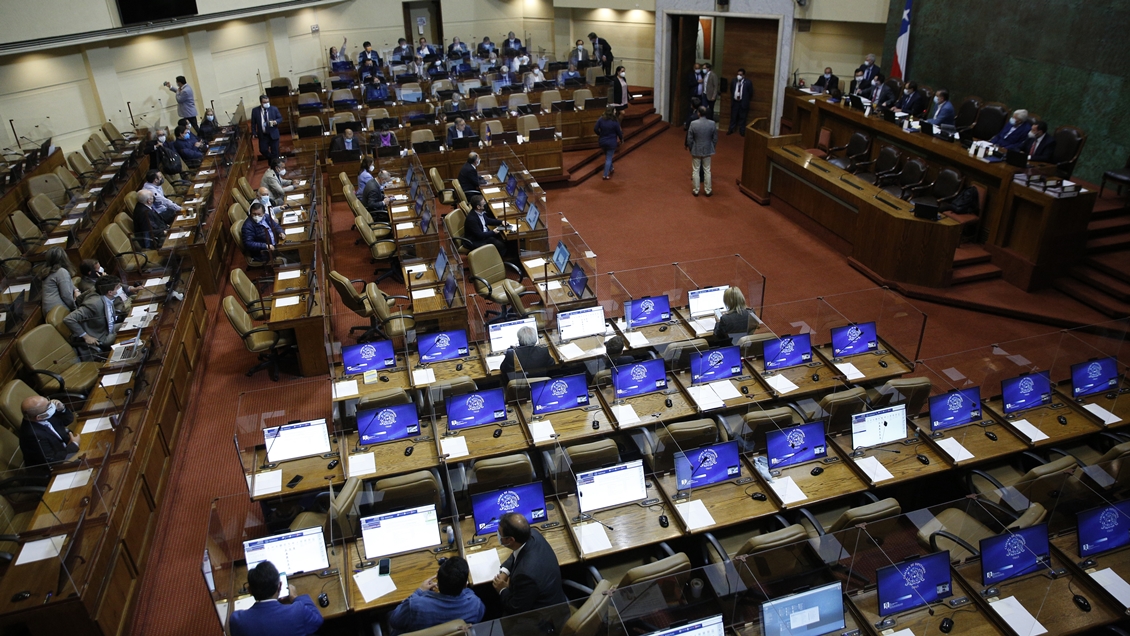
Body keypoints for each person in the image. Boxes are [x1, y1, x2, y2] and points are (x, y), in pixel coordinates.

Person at [492, 513, 567, 616]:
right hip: (551, 596)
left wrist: (502, 589)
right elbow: (515, 553)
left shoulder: (525, 575)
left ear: (511, 540)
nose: (498, 534)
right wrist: (505, 571)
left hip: (543, 618)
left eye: (500, 533)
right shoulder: (532, 534)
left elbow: (515, 608)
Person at [386, 556, 484, 635]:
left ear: (437, 579)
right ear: (465, 585)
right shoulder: (475, 604)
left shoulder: (416, 605)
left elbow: (394, 621)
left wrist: (419, 591)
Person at [229, 561, 323, 636]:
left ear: (249, 590)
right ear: (280, 586)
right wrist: (295, 597)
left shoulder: (237, 620)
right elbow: (317, 621)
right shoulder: (298, 610)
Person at [64, 275, 124, 355]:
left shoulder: (101, 293)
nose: (120, 288)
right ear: (110, 292)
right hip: (101, 337)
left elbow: (79, 299)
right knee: (128, 334)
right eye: (117, 287)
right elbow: (68, 319)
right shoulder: (94, 304)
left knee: (129, 324)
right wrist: (86, 336)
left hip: (107, 328)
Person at [18, 395, 78, 468]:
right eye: (49, 405)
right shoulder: (31, 436)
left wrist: (62, 409)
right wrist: (74, 445)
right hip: (59, 465)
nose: (52, 405)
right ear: (39, 417)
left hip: (66, 448)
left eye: (49, 402)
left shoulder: (44, 413)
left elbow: (67, 420)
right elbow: (52, 461)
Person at [686, 106, 717, 197]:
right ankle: (708, 190)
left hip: (696, 149)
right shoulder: (712, 123)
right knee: (707, 170)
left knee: (695, 170)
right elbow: (715, 138)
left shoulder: (693, 123)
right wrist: (711, 147)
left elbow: (689, 138)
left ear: (698, 113)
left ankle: (696, 190)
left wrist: (692, 147)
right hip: (707, 149)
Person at [37, 247, 78, 314]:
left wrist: (76, 290)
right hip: (59, 310)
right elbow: (66, 295)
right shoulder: (61, 272)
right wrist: (75, 307)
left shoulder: (48, 271)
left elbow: (68, 283)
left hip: (51, 310)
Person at [594, 107, 622, 181]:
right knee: (609, 158)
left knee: (608, 156)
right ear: (612, 112)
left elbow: (595, 129)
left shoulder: (601, 119)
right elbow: (619, 132)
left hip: (602, 142)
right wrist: (621, 139)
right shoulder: (615, 121)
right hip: (611, 142)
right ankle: (605, 174)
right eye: (615, 110)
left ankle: (611, 168)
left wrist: (600, 134)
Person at [251, 95, 281, 162]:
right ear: (261, 102)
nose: (267, 103)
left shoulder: (274, 109)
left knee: (275, 151)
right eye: (265, 102)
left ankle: (274, 165)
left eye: (268, 101)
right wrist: (254, 132)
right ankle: (273, 160)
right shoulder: (255, 111)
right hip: (263, 135)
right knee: (263, 150)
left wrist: (276, 121)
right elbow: (253, 123)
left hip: (273, 133)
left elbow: (280, 118)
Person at [728, 68, 753, 135]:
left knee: (743, 117)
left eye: (740, 75)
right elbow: (731, 90)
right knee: (733, 117)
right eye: (738, 74)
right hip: (735, 102)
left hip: (743, 102)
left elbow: (750, 93)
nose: (739, 76)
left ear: (744, 75)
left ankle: (742, 131)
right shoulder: (734, 81)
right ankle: (731, 129)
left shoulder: (748, 82)